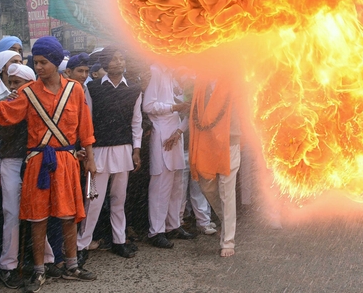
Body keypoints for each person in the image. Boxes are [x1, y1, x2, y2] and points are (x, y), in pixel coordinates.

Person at [0, 37, 97, 292]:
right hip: (38, 162)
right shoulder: (27, 93)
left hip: (67, 160)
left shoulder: (75, 90)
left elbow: (85, 127)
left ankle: (71, 266)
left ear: (56, 62)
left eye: (43, 62)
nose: (38, 67)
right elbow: (3, 115)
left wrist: (90, 158)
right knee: (38, 217)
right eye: (35, 62)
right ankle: (39, 271)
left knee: (69, 215)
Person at [78, 47, 143, 263]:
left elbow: (136, 122)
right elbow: (86, 121)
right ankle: (82, 243)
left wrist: (136, 150)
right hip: (98, 152)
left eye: (121, 56)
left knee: (119, 199)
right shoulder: (93, 88)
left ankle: (119, 240)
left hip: (123, 151)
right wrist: (88, 154)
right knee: (93, 199)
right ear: (106, 62)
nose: (120, 60)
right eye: (115, 58)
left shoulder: (133, 89)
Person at [143, 64, 195, 249]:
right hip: (162, 135)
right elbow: (148, 105)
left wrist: (180, 129)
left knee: (176, 185)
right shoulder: (156, 71)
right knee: (161, 185)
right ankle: (156, 231)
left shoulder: (177, 75)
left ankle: (173, 225)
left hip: (175, 133)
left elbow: (187, 107)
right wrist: (174, 107)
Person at [189, 77, 243, 257]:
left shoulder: (234, 81)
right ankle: (226, 220)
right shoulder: (201, 84)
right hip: (206, 142)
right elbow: (195, 112)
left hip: (230, 141)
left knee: (226, 191)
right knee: (207, 187)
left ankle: (228, 240)